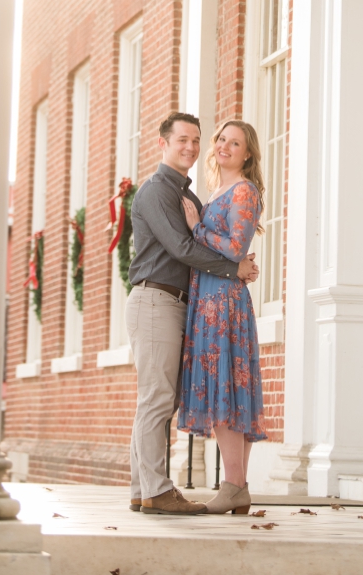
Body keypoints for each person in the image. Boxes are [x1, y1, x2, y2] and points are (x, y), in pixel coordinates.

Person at [125, 112, 258, 516]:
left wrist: (226, 261)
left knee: (158, 398)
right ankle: (157, 490)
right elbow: (183, 249)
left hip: (181, 303)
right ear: (162, 143)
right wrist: (233, 269)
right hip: (155, 300)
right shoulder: (155, 192)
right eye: (182, 139)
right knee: (157, 398)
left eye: (196, 140)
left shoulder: (191, 195)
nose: (191, 147)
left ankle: (142, 488)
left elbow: (212, 241)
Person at [177, 120, 268, 515]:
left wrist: (196, 227)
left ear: (247, 154)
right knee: (225, 390)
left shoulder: (244, 191)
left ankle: (233, 485)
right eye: (222, 140)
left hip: (224, 304)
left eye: (236, 143)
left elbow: (234, 248)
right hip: (210, 298)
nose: (225, 147)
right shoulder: (217, 191)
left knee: (225, 392)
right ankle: (238, 487)